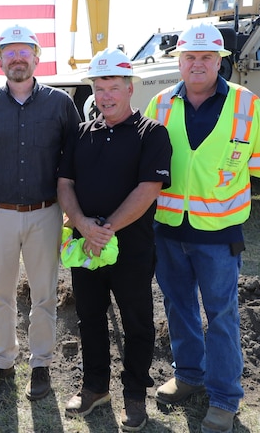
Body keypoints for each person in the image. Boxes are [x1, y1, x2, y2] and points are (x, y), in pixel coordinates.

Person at [144, 23, 260, 433]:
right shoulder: (160, 104)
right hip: (167, 229)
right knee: (178, 307)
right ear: (180, 62)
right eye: (190, 57)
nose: (197, 64)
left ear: (219, 61)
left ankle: (223, 399)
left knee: (221, 317)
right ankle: (189, 376)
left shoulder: (247, 105)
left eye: (205, 58)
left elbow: (258, 167)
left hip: (219, 236)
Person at [0, 24, 80, 401]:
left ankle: (40, 365)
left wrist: (72, 212)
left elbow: (75, 161)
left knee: (44, 294)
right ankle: (2, 363)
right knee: (1, 294)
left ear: (36, 56)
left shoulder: (61, 104)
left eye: (23, 50)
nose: (16, 57)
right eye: (8, 52)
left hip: (47, 213)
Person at [57, 49, 172, 429]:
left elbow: (148, 189)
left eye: (113, 88)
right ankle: (95, 387)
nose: (105, 95)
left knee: (137, 322)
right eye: (99, 87)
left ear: (129, 89)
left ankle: (135, 396)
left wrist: (104, 229)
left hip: (131, 249)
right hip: (86, 246)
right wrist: (82, 224)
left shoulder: (151, 133)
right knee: (89, 318)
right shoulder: (81, 134)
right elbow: (65, 184)